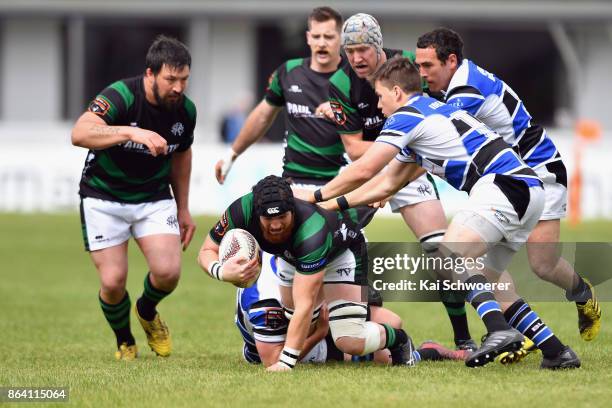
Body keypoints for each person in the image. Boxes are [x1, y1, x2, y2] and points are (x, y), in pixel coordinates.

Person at [316, 56, 581, 369]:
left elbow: (364, 168)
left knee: (448, 256)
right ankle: (556, 351)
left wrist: (317, 195)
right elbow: (386, 184)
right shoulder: (430, 111)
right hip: (527, 188)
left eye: (381, 96)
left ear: (398, 93)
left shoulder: (406, 117)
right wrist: (331, 204)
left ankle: (498, 331)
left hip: (503, 184)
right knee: (491, 283)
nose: (379, 104)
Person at [414, 27, 601, 358]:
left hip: (538, 171)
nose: (421, 73)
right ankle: (526, 336)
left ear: (451, 61)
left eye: (427, 66)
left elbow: (445, 138)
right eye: (417, 66)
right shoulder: (461, 80)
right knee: (485, 273)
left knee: (542, 264)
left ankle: (581, 293)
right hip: (510, 181)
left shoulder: (465, 89)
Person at [320, 13, 473, 351]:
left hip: (410, 165)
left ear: (378, 46)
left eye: (363, 49)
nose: (357, 58)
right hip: (367, 168)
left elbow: (436, 122)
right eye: (350, 51)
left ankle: (464, 339)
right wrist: (386, 163)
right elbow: (354, 147)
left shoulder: (408, 67)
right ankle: (347, 321)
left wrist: (398, 160)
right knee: (335, 239)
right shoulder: (341, 84)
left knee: (440, 251)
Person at [198, 175, 419, 371]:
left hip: (342, 256)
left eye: (282, 217)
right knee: (296, 318)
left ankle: (399, 340)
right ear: (256, 214)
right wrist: (221, 272)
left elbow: (305, 303)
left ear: (292, 210)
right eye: (268, 219)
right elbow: (206, 250)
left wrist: (285, 363)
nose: (275, 225)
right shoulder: (241, 210)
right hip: (289, 256)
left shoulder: (311, 231)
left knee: (349, 340)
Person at [71, 35, 197, 360]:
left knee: (168, 272)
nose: (178, 88)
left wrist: (183, 207)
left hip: (153, 197)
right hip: (104, 196)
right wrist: (130, 131)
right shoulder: (121, 96)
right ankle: (124, 340)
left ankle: (147, 309)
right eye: (171, 79)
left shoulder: (185, 111)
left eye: (184, 79)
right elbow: (80, 133)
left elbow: (182, 155)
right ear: (150, 74)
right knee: (113, 282)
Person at [232, 253, 468, 366]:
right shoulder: (265, 300)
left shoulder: (302, 255)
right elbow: (274, 361)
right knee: (380, 358)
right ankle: (429, 352)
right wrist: (319, 333)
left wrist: (358, 296)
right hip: (281, 345)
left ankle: (408, 344)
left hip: (314, 321)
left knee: (391, 320)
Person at [215, 6, 348, 186]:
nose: (322, 43)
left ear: (340, 38)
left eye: (329, 36)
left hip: (342, 181)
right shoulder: (288, 72)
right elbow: (262, 116)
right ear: (308, 38)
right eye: (316, 36)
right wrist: (232, 154)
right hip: (295, 180)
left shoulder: (354, 77)